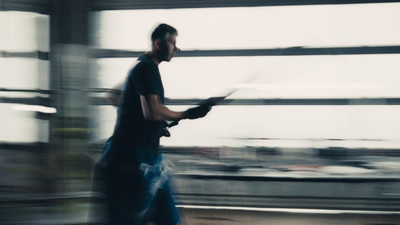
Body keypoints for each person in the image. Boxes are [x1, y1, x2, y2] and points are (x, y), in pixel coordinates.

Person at [98, 24, 212, 225]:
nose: (177, 48)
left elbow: (113, 96)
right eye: (173, 43)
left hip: (149, 159)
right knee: (135, 217)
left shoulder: (140, 66)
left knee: (166, 215)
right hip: (134, 160)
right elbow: (152, 111)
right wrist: (187, 114)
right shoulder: (146, 68)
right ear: (158, 43)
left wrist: (144, 123)